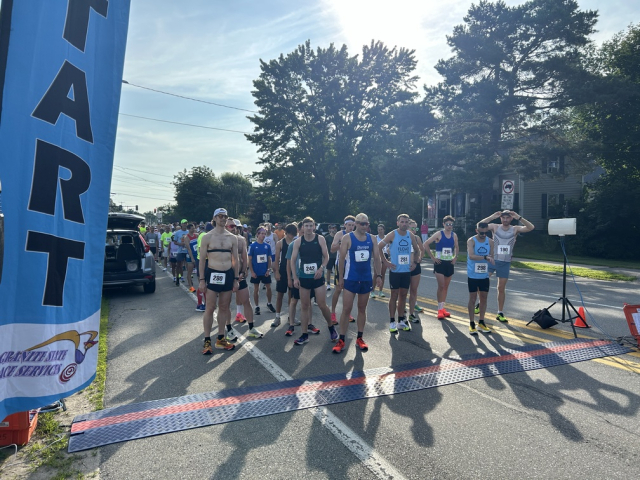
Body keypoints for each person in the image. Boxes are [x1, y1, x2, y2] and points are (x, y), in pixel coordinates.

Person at [333, 213, 382, 354]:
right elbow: (341, 259)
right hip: (351, 278)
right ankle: (341, 339)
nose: (364, 226)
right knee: (346, 309)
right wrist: (340, 278)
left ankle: (360, 338)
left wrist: (378, 275)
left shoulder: (372, 239)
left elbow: (377, 258)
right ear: (356, 224)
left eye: (366, 224)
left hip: (366, 278)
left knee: (362, 309)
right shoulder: (347, 238)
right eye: (362, 224)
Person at [477, 209, 535, 322]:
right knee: (481, 282)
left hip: (505, 262)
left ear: (511, 218)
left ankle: (500, 312)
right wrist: (492, 216)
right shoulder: (495, 226)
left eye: (507, 217)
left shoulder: (515, 229)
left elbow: (531, 227)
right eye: (503, 217)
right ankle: (480, 304)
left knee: (501, 288)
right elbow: (480, 226)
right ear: (500, 218)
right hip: (492, 260)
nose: (505, 219)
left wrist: (519, 217)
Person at [289, 217, 336, 346]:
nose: (309, 228)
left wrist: (321, 268)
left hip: (317, 277)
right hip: (304, 278)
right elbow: (292, 261)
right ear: (303, 228)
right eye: (307, 226)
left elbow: (326, 257)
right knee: (304, 306)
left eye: (311, 226)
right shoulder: (298, 242)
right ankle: (304, 335)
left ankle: (331, 327)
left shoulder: (320, 239)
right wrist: (295, 278)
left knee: (321, 304)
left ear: (314, 226)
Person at [198, 208, 239, 353]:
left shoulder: (232, 238)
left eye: (225, 216)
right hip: (213, 273)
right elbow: (202, 260)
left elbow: (236, 259)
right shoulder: (207, 237)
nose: (223, 219)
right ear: (214, 218)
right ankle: (207, 340)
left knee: (224, 307)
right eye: (220, 216)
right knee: (210, 307)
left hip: (227, 274)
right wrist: (202, 280)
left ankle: (221, 338)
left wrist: (235, 278)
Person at [377, 214, 423, 333]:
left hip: (406, 271)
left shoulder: (410, 235)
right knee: (394, 296)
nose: (404, 224)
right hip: (395, 271)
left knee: (403, 295)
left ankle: (401, 320)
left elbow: (417, 249)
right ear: (398, 223)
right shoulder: (393, 234)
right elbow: (379, 247)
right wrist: (386, 262)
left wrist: (414, 262)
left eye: (406, 222)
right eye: (402, 222)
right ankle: (392, 321)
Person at [227, 218, 262, 339]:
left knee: (246, 301)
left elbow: (244, 257)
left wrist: (243, 271)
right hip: (227, 275)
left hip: (240, 276)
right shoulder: (222, 239)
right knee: (225, 304)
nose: (234, 228)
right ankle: (228, 329)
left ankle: (251, 327)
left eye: (236, 227)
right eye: (231, 226)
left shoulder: (241, 240)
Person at [424, 215, 459, 320]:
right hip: (440, 262)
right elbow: (426, 244)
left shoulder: (454, 235)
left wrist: (455, 258)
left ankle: (443, 308)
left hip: (449, 263)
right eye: (447, 224)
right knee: (441, 285)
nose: (449, 226)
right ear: (443, 224)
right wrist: (432, 257)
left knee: (446, 287)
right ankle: (439, 309)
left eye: (451, 224)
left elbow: (457, 247)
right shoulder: (439, 234)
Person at [467, 222, 494, 335]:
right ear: (476, 230)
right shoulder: (471, 241)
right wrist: (484, 257)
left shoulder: (491, 242)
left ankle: (481, 322)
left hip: (484, 275)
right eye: (481, 232)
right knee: (473, 298)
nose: (483, 234)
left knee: (483, 298)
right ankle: (472, 323)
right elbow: (471, 256)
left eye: (485, 232)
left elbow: (492, 257)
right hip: (473, 274)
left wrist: (490, 270)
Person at [330, 216, 357, 324]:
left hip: (351, 265)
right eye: (349, 225)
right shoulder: (339, 234)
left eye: (352, 225)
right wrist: (342, 243)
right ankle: (333, 313)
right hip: (340, 264)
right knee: (338, 289)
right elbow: (332, 249)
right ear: (345, 225)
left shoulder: (355, 235)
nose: (351, 227)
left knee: (349, 291)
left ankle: (347, 312)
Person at [273, 223, 297, 327]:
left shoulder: (296, 242)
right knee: (280, 295)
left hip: (293, 270)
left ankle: (290, 317)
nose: (292, 236)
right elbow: (276, 259)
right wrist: (276, 272)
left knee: (292, 296)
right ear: (286, 232)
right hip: (282, 270)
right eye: (290, 233)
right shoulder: (280, 243)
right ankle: (277, 317)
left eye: (293, 234)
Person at [248, 227, 276, 315]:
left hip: (265, 271)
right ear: (257, 234)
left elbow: (269, 259)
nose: (263, 235)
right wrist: (252, 272)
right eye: (262, 233)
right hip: (256, 271)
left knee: (268, 287)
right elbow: (249, 260)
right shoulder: (252, 246)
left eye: (264, 233)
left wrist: (268, 270)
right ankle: (256, 306)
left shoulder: (267, 246)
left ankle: (269, 303)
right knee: (256, 289)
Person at [407, 219, 425, 322]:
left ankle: (412, 312)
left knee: (414, 289)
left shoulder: (417, 238)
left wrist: (419, 259)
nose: (414, 230)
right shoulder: (403, 237)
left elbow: (422, 249)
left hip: (415, 266)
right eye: (412, 228)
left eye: (415, 228)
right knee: (403, 291)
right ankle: (402, 311)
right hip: (404, 267)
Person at [194, 222, 213, 312]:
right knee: (203, 284)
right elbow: (201, 249)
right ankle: (200, 304)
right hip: (203, 261)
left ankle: (205, 303)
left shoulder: (203, 234)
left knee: (206, 283)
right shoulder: (204, 236)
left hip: (205, 260)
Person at [372, 224, 388, 298]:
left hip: (385, 256)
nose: (380, 231)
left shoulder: (387, 238)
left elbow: (389, 247)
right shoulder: (375, 238)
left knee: (382, 274)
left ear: (384, 230)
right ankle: (372, 291)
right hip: (377, 257)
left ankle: (380, 291)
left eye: (381, 229)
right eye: (379, 230)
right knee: (376, 274)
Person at [173, 219, 190, 286]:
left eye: (186, 223)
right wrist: (180, 244)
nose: (185, 224)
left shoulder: (188, 232)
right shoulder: (177, 232)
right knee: (179, 265)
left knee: (189, 265)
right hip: (180, 251)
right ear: (181, 224)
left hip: (187, 251)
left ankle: (189, 279)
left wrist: (187, 244)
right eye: (183, 223)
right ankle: (177, 278)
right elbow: (174, 241)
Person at [184, 223, 199, 292]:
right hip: (190, 255)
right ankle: (191, 287)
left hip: (197, 255)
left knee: (199, 271)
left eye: (194, 228)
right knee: (190, 271)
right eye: (192, 228)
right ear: (189, 229)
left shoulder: (196, 235)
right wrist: (192, 258)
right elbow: (189, 249)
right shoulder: (186, 238)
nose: (194, 229)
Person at [323, 224, 338, 290]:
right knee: (328, 270)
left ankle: (336, 283)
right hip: (330, 256)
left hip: (337, 257)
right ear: (329, 229)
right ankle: (328, 284)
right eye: (332, 228)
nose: (333, 229)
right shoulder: (327, 237)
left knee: (337, 271)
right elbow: (324, 247)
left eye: (334, 228)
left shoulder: (338, 237)